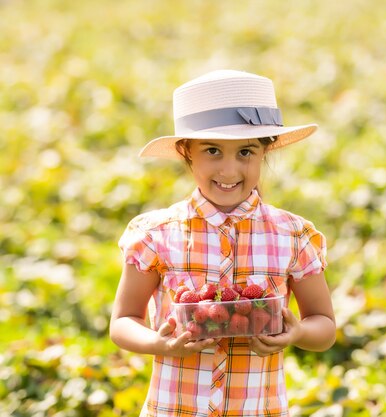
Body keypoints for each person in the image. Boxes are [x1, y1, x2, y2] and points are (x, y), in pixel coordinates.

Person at [109, 70, 336, 417]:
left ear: (266, 150)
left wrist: (298, 332)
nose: (229, 170)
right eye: (213, 151)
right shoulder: (156, 234)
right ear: (186, 152)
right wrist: (161, 343)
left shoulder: (292, 236)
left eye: (245, 152)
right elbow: (123, 320)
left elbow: (325, 326)